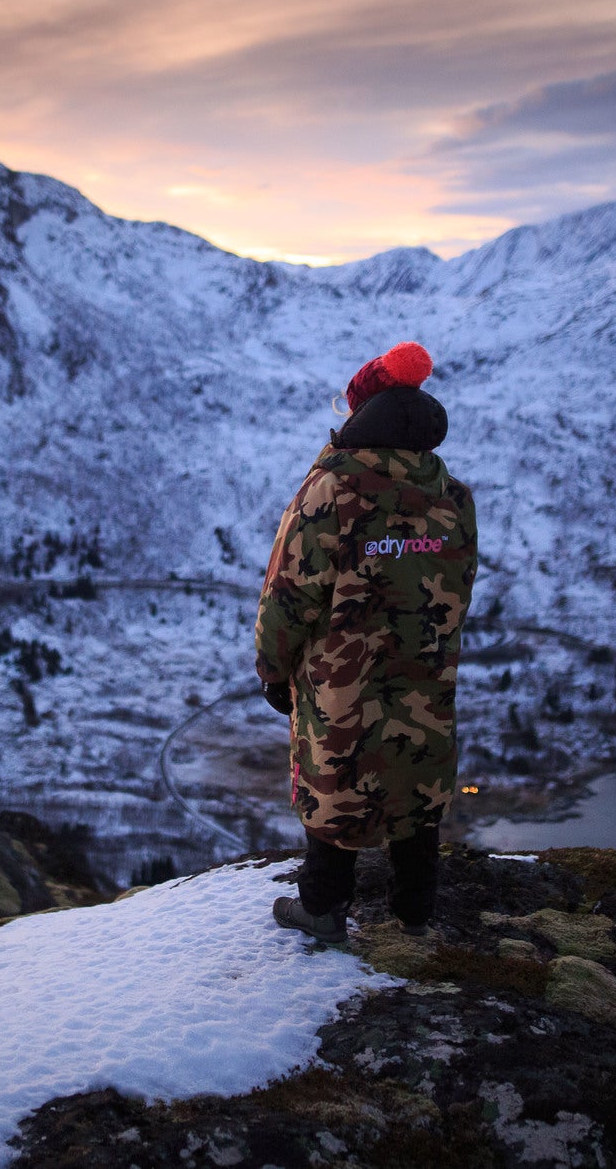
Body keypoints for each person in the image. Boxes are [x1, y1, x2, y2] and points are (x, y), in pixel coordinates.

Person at [254, 341, 477, 943]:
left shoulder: (331, 491)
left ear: (359, 416)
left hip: (341, 679)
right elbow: (459, 587)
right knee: (416, 777)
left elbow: (288, 595)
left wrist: (272, 669)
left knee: (337, 777)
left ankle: (323, 909)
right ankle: (415, 913)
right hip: (425, 672)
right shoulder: (452, 496)